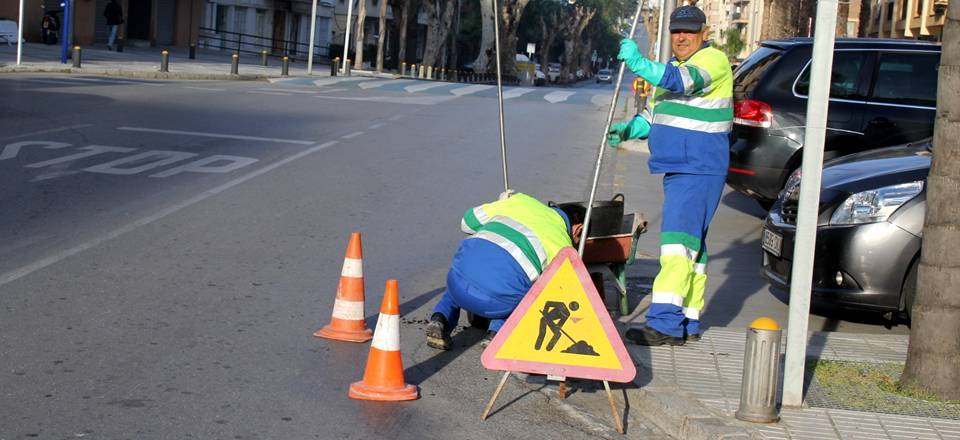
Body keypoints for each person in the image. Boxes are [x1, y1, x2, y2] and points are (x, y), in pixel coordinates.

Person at [607, 5, 732, 346]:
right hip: (683, 167)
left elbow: (680, 83)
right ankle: (686, 322)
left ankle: (663, 323)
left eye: (689, 32)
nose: (681, 37)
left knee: (677, 246)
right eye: (676, 31)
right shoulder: (675, 68)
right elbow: (654, 115)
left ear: (703, 33)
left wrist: (637, 63)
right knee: (693, 249)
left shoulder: (711, 62)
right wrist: (630, 128)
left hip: (698, 168)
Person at [425, 191, 582, 350]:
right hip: (498, 303)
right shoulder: (563, 243)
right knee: (528, 294)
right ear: (578, 229)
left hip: (457, 285)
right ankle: (495, 335)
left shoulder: (519, 201)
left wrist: (502, 205)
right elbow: (562, 291)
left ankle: (440, 320)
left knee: (462, 275)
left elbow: (467, 222)